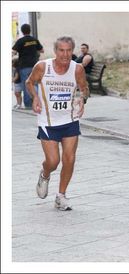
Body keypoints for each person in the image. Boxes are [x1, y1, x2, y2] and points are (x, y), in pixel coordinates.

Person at [25, 36, 90, 211]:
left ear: (72, 51)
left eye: (69, 50)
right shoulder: (43, 67)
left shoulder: (77, 69)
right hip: (48, 121)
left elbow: (84, 88)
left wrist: (81, 98)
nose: (65, 54)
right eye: (61, 50)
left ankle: (61, 196)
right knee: (53, 161)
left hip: (70, 119)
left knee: (69, 159)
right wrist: (35, 97)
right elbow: (29, 82)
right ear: (55, 51)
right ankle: (45, 174)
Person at [12, 23, 44, 109]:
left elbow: (13, 52)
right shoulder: (34, 40)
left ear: (22, 31)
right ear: (30, 30)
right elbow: (42, 50)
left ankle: (29, 105)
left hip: (24, 65)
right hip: (35, 65)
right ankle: (38, 102)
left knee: (26, 84)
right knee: (35, 84)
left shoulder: (20, 41)